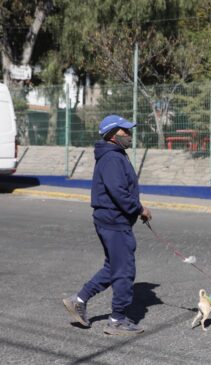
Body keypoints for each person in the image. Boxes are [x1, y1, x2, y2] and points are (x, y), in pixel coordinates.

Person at [63, 114, 152, 335]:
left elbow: (121, 191)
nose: (129, 135)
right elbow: (118, 192)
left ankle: (79, 300)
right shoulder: (112, 158)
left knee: (113, 267)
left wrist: (135, 208)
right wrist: (139, 209)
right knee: (124, 271)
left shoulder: (115, 155)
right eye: (125, 131)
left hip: (112, 219)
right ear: (113, 134)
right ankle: (117, 320)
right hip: (115, 221)